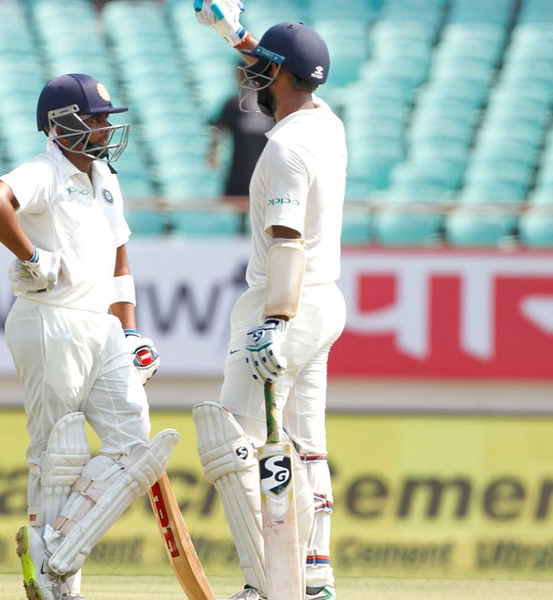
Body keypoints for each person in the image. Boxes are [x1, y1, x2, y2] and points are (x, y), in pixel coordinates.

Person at [0, 73, 174, 600]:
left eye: (107, 117)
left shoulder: (105, 177)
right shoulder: (44, 171)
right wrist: (32, 257)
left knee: (134, 446)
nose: (105, 127)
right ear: (60, 124)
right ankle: (54, 580)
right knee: (56, 451)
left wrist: (130, 330)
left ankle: (58, 555)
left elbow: (119, 255)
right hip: (49, 319)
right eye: (95, 118)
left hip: (101, 325)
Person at [193, 4, 346, 600]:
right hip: (325, 300)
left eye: (264, 71)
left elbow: (286, 241)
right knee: (306, 442)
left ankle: (265, 584)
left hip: (285, 301)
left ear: (280, 78)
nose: (255, 80)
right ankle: (312, 578)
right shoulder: (326, 121)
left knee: (230, 439)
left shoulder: (283, 149)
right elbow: (286, 68)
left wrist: (274, 323)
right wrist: (235, 34)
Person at [207, 65, 273, 198]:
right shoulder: (272, 105)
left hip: (242, 171)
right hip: (265, 171)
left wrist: (212, 152)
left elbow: (218, 131)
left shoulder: (235, 103)